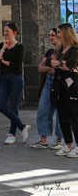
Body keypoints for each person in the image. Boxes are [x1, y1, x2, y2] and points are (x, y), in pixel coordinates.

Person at [0, 22, 31, 145]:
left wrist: (3, 60)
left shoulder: (20, 47)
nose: (5, 33)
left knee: (14, 106)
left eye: (7, 31)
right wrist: (3, 48)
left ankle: (12, 134)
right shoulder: (1, 45)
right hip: (4, 78)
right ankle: (22, 126)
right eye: (4, 31)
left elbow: (16, 65)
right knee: (1, 105)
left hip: (16, 78)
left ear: (14, 33)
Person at [30, 28, 64, 150]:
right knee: (43, 110)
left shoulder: (65, 51)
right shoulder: (50, 51)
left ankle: (59, 140)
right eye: (49, 35)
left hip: (60, 84)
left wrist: (52, 68)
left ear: (60, 36)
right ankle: (43, 140)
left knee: (60, 113)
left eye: (53, 35)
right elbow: (40, 67)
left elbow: (63, 67)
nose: (51, 37)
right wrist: (51, 70)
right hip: (49, 83)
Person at [50, 23, 78, 157]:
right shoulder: (61, 49)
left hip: (72, 85)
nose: (58, 35)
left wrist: (59, 63)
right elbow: (52, 63)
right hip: (60, 85)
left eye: (59, 32)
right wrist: (61, 64)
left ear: (66, 33)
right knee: (62, 117)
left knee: (74, 116)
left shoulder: (75, 49)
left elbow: (71, 66)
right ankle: (68, 145)